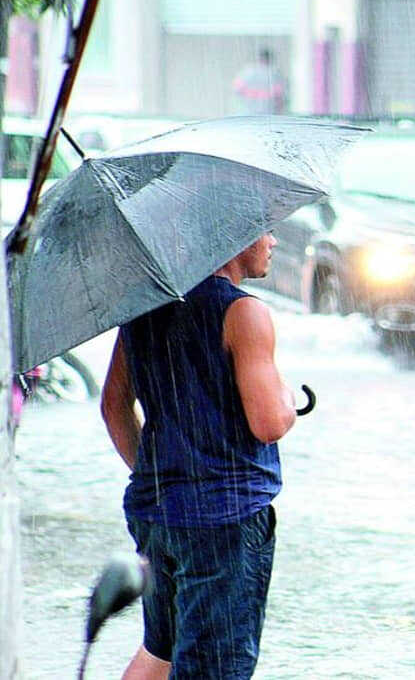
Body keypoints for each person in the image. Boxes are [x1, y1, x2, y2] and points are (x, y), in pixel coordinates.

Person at [101, 232, 296, 679]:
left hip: (155, 513)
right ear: (234, 234)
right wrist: (285, 400)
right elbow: (268, 423)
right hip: (223, 521)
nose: (274, 240)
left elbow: (113, 406)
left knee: (161, 649)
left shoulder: (143, 307)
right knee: (215, 668)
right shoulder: (243, 311)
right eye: (265, 228)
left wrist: (160, 474)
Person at [232, 48, 288, 115]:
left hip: (250, 113)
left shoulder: (248, 72)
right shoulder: (275, 74)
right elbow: (282, 96)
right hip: (268, 114)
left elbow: (237, 89)